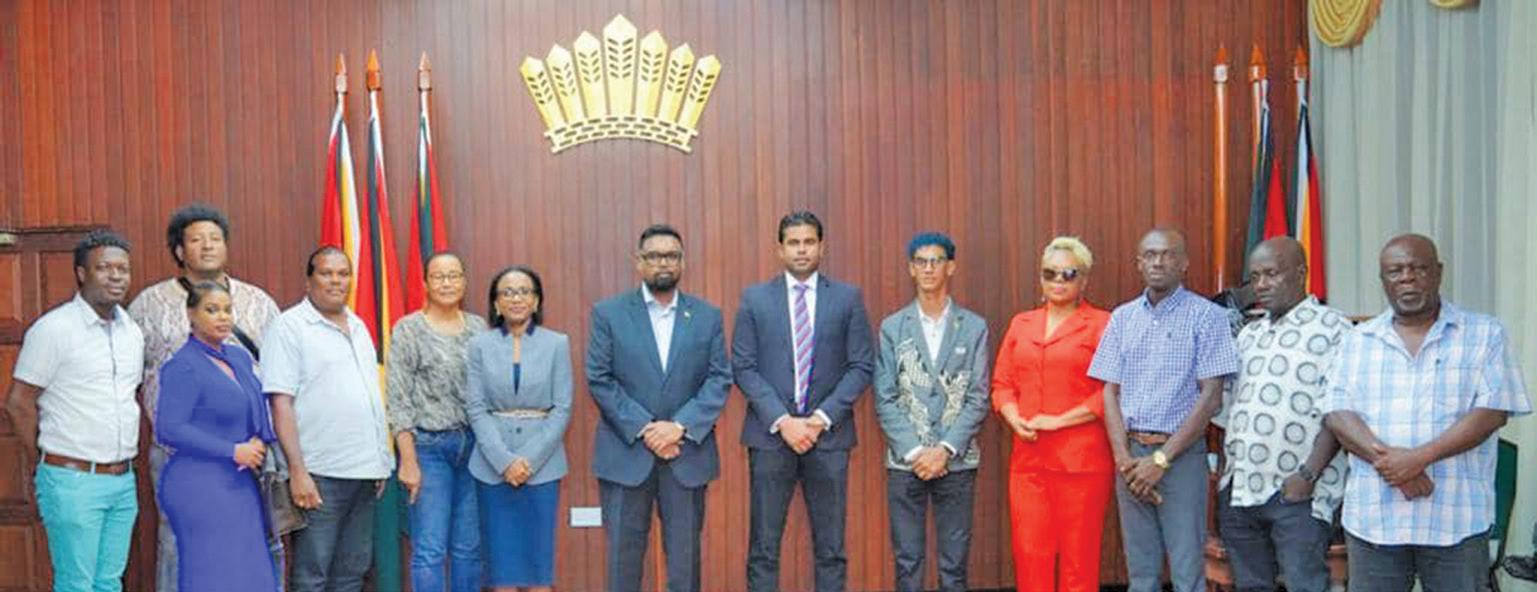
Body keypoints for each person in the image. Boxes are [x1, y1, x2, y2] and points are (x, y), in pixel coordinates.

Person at [1322, 234, 1531, 591]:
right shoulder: (1357, 340)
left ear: (1438, 273)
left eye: (1418, 268)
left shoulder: (1483, 334)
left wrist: (1419, 458)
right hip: (1375, 519)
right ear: (1383, 280)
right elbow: (1338, 414)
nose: (1407, 277)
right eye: (1395, 271)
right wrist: (1396, 466)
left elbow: (1492, 412)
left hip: (1455, 518)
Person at [128, 203, 283, 592]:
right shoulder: (149, 305)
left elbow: (278, 374)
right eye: (197, 239)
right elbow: (129, 373)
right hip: (179, 452)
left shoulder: (258, 303)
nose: (208, 246)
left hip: (249, 454)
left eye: (215, 238)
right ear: (180, 250)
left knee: (248, 544)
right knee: (179, 543)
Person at [1088, 228, 1239, 592]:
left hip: (1180, 460)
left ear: (1184, 263)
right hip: (1131, 459)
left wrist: (1161, 460)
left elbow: (1211, 397)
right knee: (1141, 575)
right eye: (1150, 255)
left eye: (1167, 254)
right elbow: (1109, 392)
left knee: (1188, 574)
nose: (1158, 262)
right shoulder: (1122, 318)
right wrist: (1124, 460)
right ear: (1138, 263)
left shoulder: (1208, 317)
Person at [732, 210, 875, 592]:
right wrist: (783, 421)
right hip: (770, 437)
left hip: (828, 437)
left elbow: (862, 365)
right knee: (763, 547)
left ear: (821, 247)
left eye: (809, 242)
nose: (801, 250)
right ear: (779, 249)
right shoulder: (754, 299)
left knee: (831, 548)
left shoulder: (847, 298)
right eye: (793, 243)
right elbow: (743, 367)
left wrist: (821, 418)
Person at [586, 225, 732, 592]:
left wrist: (678, 427)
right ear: (638, 262)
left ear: (682, 262)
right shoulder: (609, 313)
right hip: (625, 455)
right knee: (622, 565)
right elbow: (599, 378)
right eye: (653, 256)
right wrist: (648, 429)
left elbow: (719, 379)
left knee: (685, 567)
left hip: (686, 455)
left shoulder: (706, 315)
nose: (663, 263)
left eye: (671, 256)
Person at [4, 230, 143, 592]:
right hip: (72, 478)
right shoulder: (54, 329)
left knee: (108, 582)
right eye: (104, 268)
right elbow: (18, 402)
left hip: (122, 479)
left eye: (123, 269)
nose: (116, 276)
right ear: (82, 273)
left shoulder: (131, 332)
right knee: (76, 584)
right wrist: (45, 460)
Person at [1213, 237, 1348, 592]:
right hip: (1242, 490)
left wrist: (1307, 475)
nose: (1261, 285)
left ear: (1301, 273)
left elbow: (1341, 413)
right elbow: (1230, 411)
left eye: (1271, 274)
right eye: (1255, 276)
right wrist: (1228, 477)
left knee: (1305, 585)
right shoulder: (1249, 334)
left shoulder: (1334, 328)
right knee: (1251, 586)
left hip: (1299, 490)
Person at [263, 247, 395, 592]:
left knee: (352, 573)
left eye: (343, 273)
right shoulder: (290, 327)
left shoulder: (359, 325)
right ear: (308, 281)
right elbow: (280, 403)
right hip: (319, 475)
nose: (336, 281)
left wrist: (380, 460)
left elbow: (369, 396)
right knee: (312, 574)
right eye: (326, 273)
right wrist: (297, 471)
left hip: (364, 472)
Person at [990, 236, 1113, 592]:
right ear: (1040, 277)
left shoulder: (1102, 324)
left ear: (1084, 280)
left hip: (1082, 463)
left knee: (1079, 561)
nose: (1058, 280)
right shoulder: (1021, 323)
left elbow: (1111, 392)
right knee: (1030, 556)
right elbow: (1002, 384)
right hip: (1029, 461)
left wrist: (1059, 421)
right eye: (1050, 273)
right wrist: (1012, 416)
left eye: (1069, 274)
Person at [873, 232, 990, 592]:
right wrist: (915, 451)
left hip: (957, 460)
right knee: (907, 561)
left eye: (936, 261)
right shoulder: (893, 327)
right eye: (920, 262)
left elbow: (978, 396)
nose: (928, 269)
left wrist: (944, 450)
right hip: (905, 461)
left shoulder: (974, 327)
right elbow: (885, 397)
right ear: (911, 268)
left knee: (954, 563)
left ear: (950, 267)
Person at [155, 281, 278, 591]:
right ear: (191, 314)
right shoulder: (183, 366)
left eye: (227, 310)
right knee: (213, 575)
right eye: (212, 310)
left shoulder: (238, 357)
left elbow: (257, 405)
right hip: (199, 484)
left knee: (251, 574)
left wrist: (259, 439)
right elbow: (169, 428)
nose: (223, 317)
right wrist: (231, 450)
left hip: (240, 481)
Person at [465, 266, 572, 592]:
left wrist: (528, 461)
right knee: (502, 569)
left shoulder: (557, 343)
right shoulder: (479, 345)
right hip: (492, 468)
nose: (516, 298)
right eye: (507, 292)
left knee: (538, 566)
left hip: (542, 468)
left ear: (536, 301)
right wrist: (504, 461)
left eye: (524, 291)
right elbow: (476, 407)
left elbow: (562, 408)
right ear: (496, 303)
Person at [387, 252, 488, 592]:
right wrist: (409, 461)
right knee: (430, 549)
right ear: (426, 283)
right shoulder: (409, 329)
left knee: (469, 549)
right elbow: (398, 399)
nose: (447, 283)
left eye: (454, 275)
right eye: (439, 276)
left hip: (474, 449)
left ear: (464, 282)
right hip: (428, 450)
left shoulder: (478, 328)